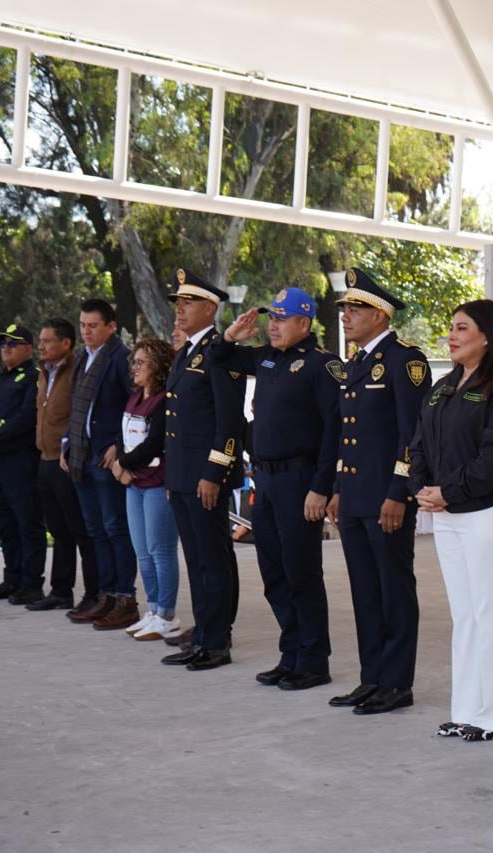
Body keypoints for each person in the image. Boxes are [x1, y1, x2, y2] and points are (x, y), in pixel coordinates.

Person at [409, 299, 493, 742]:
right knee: (465, 616)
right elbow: (420, 443)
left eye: (462, 328)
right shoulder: (443, 386)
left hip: (489, 513)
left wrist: (449, 491)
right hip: (449, 514)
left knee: (490, 613)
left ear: (487, 335)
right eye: (451, 327)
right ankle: (467, 711)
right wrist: (422, 490)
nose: (452, 335)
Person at [212, 287, 343, 690]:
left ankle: (314, 660)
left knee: (301, 570)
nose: (273, 325)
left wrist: (322, 488)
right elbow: (218, 359)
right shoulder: (266, 358)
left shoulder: (322, 365)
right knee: (273, 571)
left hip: (300, 480)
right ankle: (291, 653)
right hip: (265, 479)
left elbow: (334, 432)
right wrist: (231, 334)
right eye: (272, 318)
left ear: (304, 324)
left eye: (282, 319)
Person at [325, 267, 431, 715]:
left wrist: (399, 492)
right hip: (353, 495)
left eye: (356, 308)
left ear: (381, 315)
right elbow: (347, 434)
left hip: (386, 498)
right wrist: (336, 488)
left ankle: (396, 682)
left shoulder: (405, 360)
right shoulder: (355, 362)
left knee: (393, 589)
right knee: (364, 591)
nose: (347, 315)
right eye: (346, 307)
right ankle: (371, 678)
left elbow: (414, 436)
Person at [159, 269, 245, 672]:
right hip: (182, 475)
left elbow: (228, 422)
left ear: (210, 309)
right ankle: (204, 633)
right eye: (178, 303)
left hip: (205, 477)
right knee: (196, 558)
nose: (179, 310)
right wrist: (172, 476)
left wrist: (214, 474)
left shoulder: (218, 352)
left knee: (212, 558)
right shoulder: (186, 351)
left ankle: (216, 640)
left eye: (187, 303)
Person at [63, 298, 139, 630]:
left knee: (115, 528)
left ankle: (125, 598)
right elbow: (76, 405)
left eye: (93, 325)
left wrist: (120, 447)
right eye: (83, 325)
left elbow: (136, 404)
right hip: (81, 452)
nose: (87, 331)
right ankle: (105, 594)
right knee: (94, 530)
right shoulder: (82, 357)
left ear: (111, 326)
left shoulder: (122, 358)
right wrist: (67, 442)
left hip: (107, 456)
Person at [111, 338, 182, 641]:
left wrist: (122, 464)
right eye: (134, 362)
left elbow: (154, 444)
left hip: (156, 483)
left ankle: (166, 613)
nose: (135, 368)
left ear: (159, 366)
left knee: (160, 550)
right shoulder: (135, 397)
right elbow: (124, 433)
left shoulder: (165, 399)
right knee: (142, 552)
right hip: (134, 485)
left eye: (142, 362)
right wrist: (119, 460)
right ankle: (152, 609)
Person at [0, 324, 47, 606]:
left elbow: (27, 418)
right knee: (4, 521)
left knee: (28, 523)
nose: (6, 348)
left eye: (13, 344)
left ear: (28, 348)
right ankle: (12, 578)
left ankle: (32, 583)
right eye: (3, 343)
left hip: (22, 461)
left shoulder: (33, 378)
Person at [29, 318, 99, 612]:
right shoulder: (45, 372)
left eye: (47, 341)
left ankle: (95, 594)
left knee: (82, 530)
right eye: (40, 341)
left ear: (66, 343)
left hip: (67, 461)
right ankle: (61, 590)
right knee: (59, 530)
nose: (41, 346)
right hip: (45, 459)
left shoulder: (77, 370)